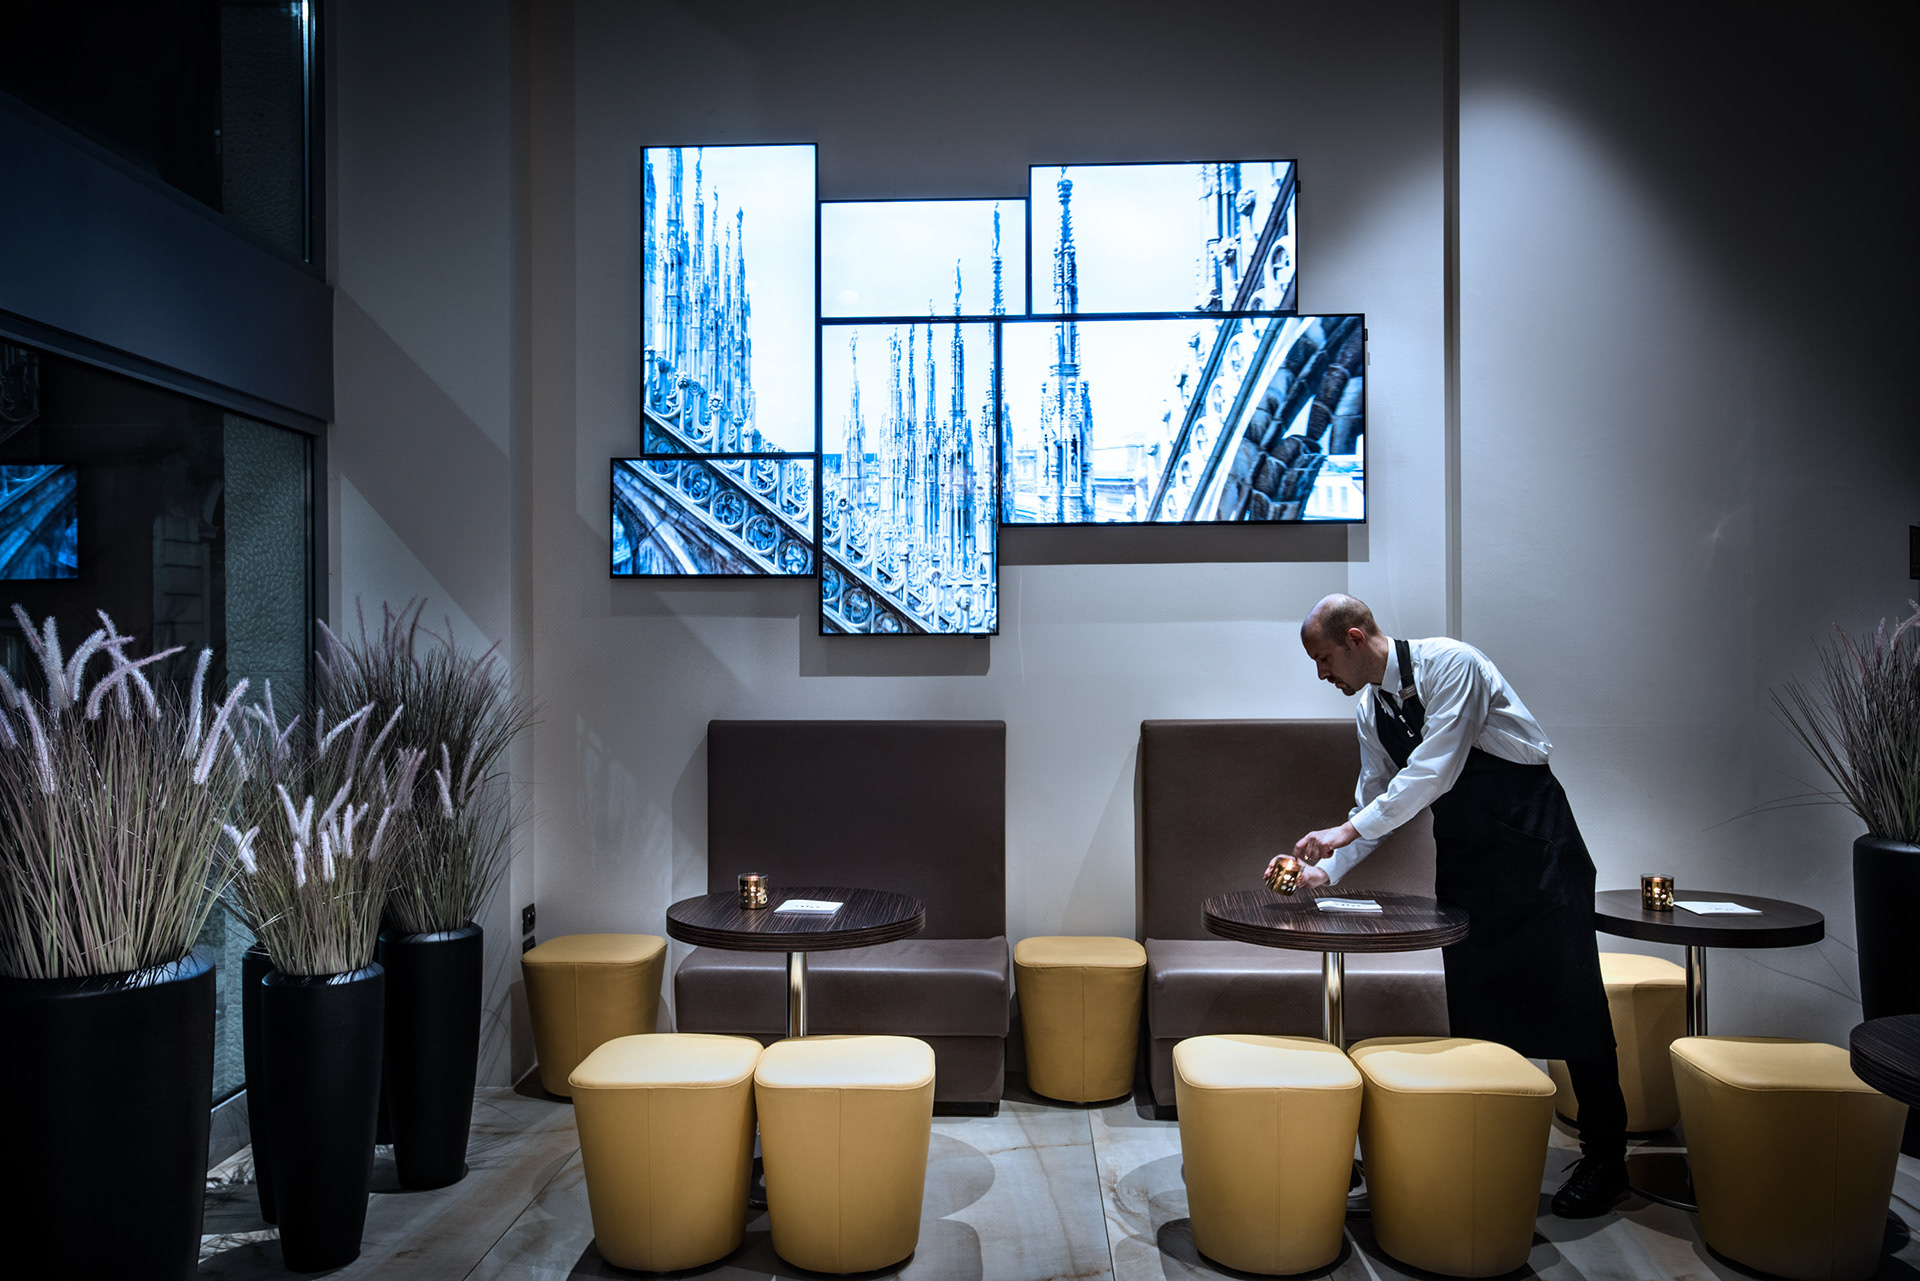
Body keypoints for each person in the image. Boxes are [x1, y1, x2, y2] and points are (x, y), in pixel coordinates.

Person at [1266, 593, 1629, 1218]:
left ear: (1355, 638)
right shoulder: (1372, 710)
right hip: (1468, 863)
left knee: (1574, 1004)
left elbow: (1434, 770)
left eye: (1323, 659)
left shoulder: (1453, 665)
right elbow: (1374, 802)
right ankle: (1485, 1149)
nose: (1321, 674)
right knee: (1478, 1010)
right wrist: (1327, 870)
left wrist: (1344, 832)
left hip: (1537, 850)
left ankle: (1607, 1158)